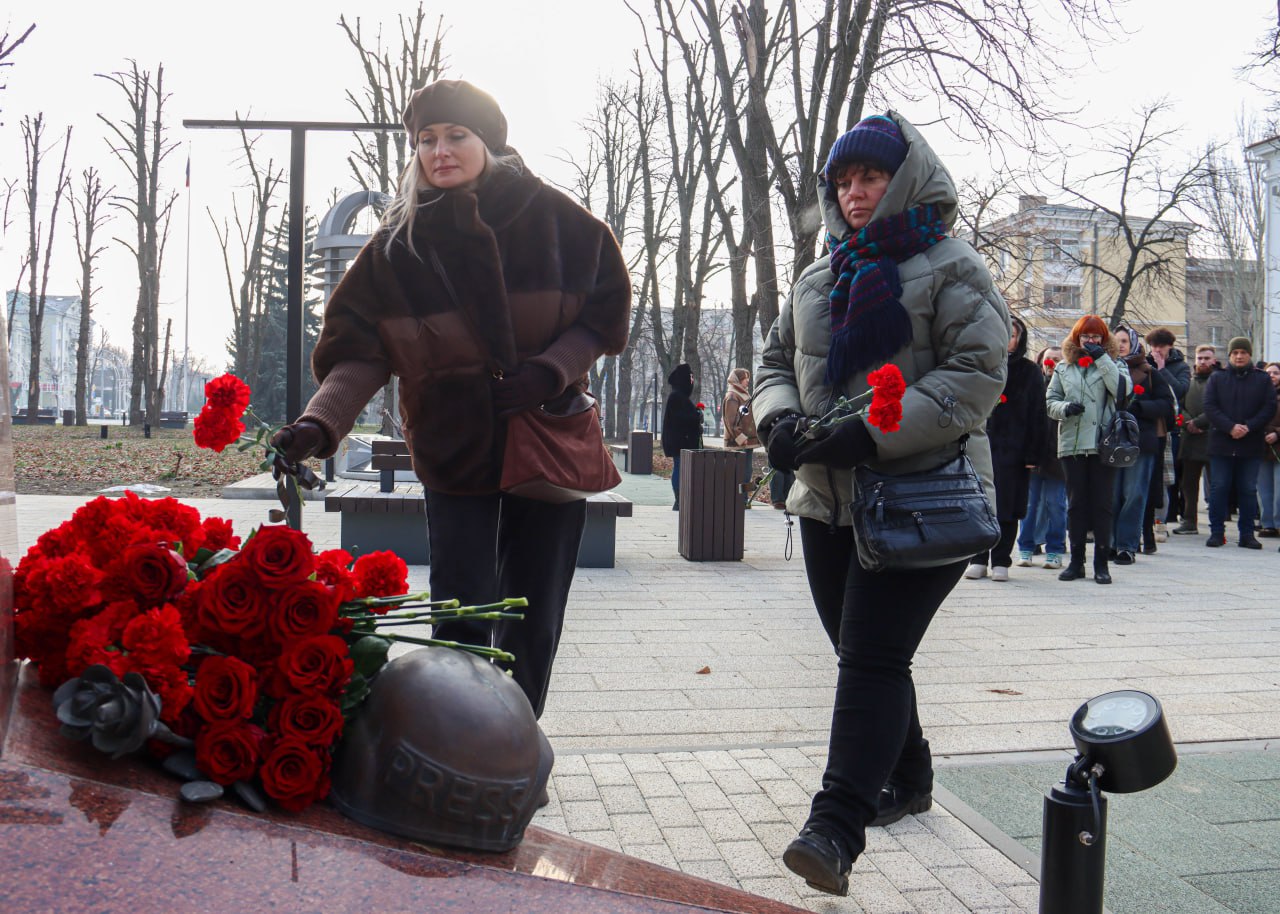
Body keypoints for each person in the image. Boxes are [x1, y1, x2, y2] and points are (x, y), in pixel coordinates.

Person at [270, 79, 631, 720]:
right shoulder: (396, 246)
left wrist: (552, 371)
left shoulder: (561, 223)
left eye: (456, 135)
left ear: (489, 141)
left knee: (534, 612)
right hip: (454, 448)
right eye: (426, 140)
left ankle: (514, 748)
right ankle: (463, 744)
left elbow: (603, 316)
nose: (440, 150)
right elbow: (361, 352)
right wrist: (317, 425)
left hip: (544, 437)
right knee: (460, 610)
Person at [753, 112, 1009, 896]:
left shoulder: (952, 264)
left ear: (904, 179)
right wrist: (780, 421)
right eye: (843, 182)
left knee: (869, 657)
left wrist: (872, 431)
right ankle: (912, 772)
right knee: (863, 652)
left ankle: (834, 827)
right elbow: (774, 359)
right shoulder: (820, 273)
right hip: (828, 500)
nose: (855, 194)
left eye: (870, 178)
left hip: (924, 495)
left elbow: (975, 374)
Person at [1045, 315, 1128, 584]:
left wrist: (1102, 360)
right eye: (1086, 336)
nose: (1090, 341)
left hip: (1104, 444)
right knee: (1076, 505)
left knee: (1102, 505)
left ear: (1104, 339)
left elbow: (1123, 393)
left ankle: (1101, 564)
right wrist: (1065, 409)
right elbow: (1050, 401)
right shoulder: (1063, 367)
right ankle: (1076, 562)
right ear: (1077, 338)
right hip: (1072, 442)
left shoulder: (1115, 364)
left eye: (1096, 337)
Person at [965, 315, 1045, 581]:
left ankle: (1001, 559)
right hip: (983, 445)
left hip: (1015, 449)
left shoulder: (1029, 371)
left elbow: (1037, 414)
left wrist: (1033, 453)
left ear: (1019, 340)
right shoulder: (981, 365)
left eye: (1012, 334)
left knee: (1008, 506)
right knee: (979, 502)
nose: (1007, 338)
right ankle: (978, 557)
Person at [1202, 337, 1275, 549]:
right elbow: (1210, 407)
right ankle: (1217, 533)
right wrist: (1230, 427)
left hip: (1250, 443)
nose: (1239, 356)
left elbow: (1268, 407)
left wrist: (1248, 427)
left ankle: (1247, 534)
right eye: (1235, 353)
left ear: (1250, 354)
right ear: (1230, 355)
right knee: (1219, 487)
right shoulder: (1217, 378)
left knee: (1248, 489)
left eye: (1243, 352)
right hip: (1222, 443)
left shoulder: (1262, 380)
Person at [1110, 325, 1174, 565]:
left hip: (1141, 442)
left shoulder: (1149, 372)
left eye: (1125, 340)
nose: (1121, 345)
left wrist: (1140, 407)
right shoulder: (1104, 369)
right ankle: (1112, 543)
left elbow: (1168, 405)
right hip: (1112, 442)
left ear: (1134, 343)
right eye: (1117, 341)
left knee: (1134, 495)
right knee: (1113, 496)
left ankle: (1127, 546)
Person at [1016, 346, 1068, 569]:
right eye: (1048, 360)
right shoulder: (1032, 385)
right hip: (1035, 455)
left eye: (1056, 360)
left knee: (1056, 504)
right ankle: (1026, 547)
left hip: (1058, 457)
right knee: (1029, 504)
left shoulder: (1067, 386)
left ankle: (1055, 548)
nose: (1051, 364)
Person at [1146, 327, 1190, 531]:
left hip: (1169, 428)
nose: (1156, 350)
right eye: (1153, 346)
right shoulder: (1143, 363)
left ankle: (1161, 521)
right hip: (1148, 426)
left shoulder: (1181, 367)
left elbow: (1180, 391)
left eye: (1161, 346)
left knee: (1164, 478)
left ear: (1170, 346)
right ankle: (1146, 520)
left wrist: (1162, 369)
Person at [1172, 345, 1217, 535]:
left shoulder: (1220, 382)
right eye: (1200, 358)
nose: (1203, 362)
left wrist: (1199, 422)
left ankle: (1217, 522)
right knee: (1188, 484)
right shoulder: (1187, 383)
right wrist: (1187, 422)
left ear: (1214, 360)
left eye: (1207, 358)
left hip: (1214, 439)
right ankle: (1189, 521)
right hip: (1190, 440)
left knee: (1216, 484)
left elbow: (1220, 408)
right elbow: (1177, 407)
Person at [662, 363, 703, 510]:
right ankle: (679, 500)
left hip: (680, 440)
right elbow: (682, 418)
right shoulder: (677, 397)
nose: (692, 382)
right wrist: (696, 415)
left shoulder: (678, 396)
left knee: (680, 468)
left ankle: (680, 499)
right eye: (690, 379)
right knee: (679, 468)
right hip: (680, 441)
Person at [722, 367, 761, 506]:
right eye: (745, 379)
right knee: (741, 472)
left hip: (747, 442)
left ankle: (743, 499)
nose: (747, 382)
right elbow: (730, 420)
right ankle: (739, 500)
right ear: (738, 380)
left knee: (747, 472)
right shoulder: (733, 396)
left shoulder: (743, 394)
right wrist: (740, 437)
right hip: (739, 442)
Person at [1256, 362, 1280, 538]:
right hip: (1261, 447)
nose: (1272, 376)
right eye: (1269, 372)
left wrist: (1277, 433)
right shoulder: (1258, 396)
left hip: (1278, 447)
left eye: (1276, 373)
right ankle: (1267, 524)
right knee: (1263, 489)